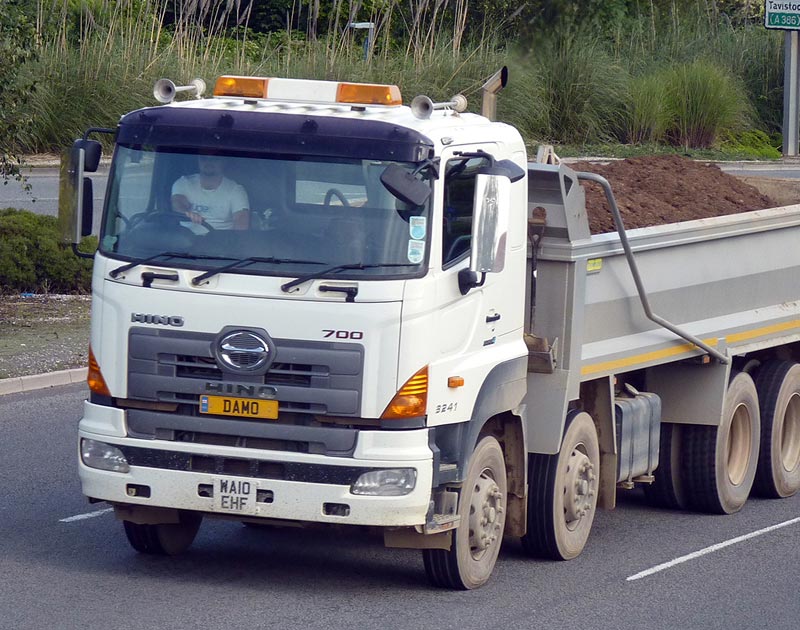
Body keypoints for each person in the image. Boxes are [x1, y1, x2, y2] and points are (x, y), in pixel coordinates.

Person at [171, 153, 250, 230]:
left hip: (219, 241)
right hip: (185, 239)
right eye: (204, 158)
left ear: (224, 161)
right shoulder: (183, 182)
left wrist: (234, 242)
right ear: (198, 160)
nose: (208, 162)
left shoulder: (236, 190)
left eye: (214, 159)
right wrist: (186, 213)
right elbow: (178, 203)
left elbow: (241, 223)